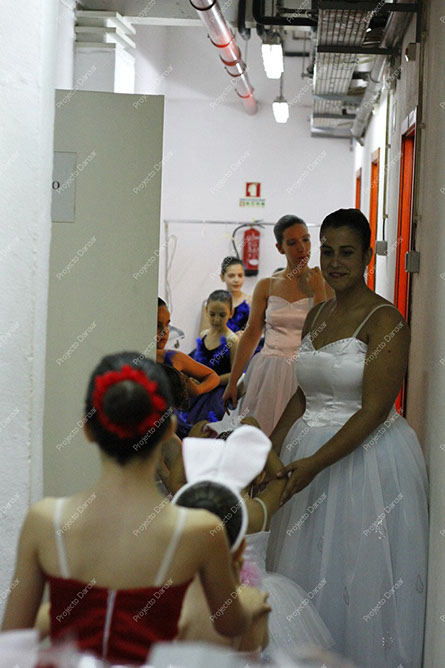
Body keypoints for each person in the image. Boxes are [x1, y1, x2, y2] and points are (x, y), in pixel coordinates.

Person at [2, 353, 269, 665]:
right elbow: (230, 625)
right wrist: (247, 597)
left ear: (88, 430)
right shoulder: (199, 530)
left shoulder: (44, 521)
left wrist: (60, 613)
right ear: (169, 429)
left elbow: (12, 643)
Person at [267, 209, 429, 668]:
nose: (335, 262)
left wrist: (315, 464)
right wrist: (270, 447)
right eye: (328, 251)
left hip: (366, 461)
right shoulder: (318, 314)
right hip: (306, 451)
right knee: (306, 567)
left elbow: (375, 410)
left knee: (354, 571)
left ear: (366, 257)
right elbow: (304, 393)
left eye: (347, 253)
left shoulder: (386, 320)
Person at [172, 422, 334, 662]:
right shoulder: (260, 510)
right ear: (259, 475)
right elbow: (281, 478)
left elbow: (176, 483)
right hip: (261, 592)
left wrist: (191, 442)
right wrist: (257, 436)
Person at [222, 215, 329, 436]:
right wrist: (233, 381)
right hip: (269, 370)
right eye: (292, 242)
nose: (302, 248)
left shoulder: (324, 283)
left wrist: (319, 292)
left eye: (306, 239)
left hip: (307, 370)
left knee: (300, 437)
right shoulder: (267, 285)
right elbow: (252, 333)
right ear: (280, 248)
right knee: (262, 434)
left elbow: (325, 333)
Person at [157, 298, 219, 435]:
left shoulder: (173, 358)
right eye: (157, 325)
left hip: (171, 430)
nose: (164, 332)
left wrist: (198, 389)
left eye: (167, 325)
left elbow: (212, 376)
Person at [179, 290, 239, 432]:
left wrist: (211, 380)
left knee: (207, 427)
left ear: (231, 313)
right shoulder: (204, 335)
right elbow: (197, 364)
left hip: (218, 394)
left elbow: (235, 374)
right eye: (212, 314)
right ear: (206, 311)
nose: (216, 320)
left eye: (222, 315)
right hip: (200, 389)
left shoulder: (232, 340)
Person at [200, 257, 251, 335]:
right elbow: (204, 333)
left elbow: (256, 331)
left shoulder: (251, 301)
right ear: (222, 277)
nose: (236, 280)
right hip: (218, 341)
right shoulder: (212, 302)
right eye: (231, 276)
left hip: (244, 342)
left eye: (240, 275)